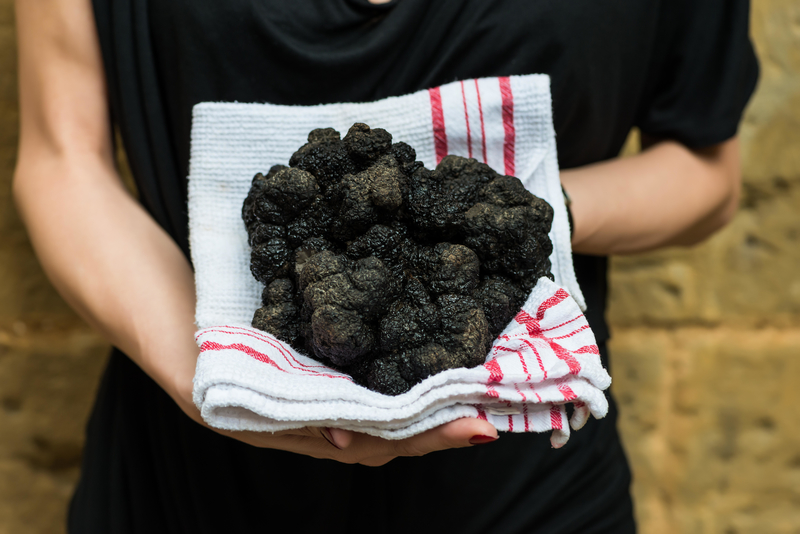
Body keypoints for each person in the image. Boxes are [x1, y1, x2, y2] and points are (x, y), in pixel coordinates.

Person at [13, 0, 758, 532]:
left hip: (529, 492)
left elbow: (706, 169)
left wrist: (516, 218)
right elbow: (61, 158)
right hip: (184, 481)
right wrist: (214, 379)